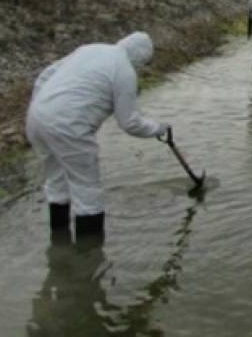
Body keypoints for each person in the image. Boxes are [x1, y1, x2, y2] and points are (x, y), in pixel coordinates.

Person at [26, 32, 169, 243]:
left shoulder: (90, 49)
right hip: (69, 127)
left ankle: (59, 240)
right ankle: (89, 256)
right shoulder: (125, 71)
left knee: (57, 184)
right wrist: (159, 128)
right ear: (141, 58)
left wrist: (43, 111)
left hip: (36, 118)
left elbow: (44, 77)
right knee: (87, 192)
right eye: (144, 64)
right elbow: (130, 122)